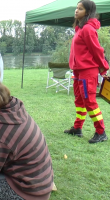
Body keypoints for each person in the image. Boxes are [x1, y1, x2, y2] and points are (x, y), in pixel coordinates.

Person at [65, 0, 109, 143]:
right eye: (76, 8)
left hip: (87, 71)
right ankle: (77, 128)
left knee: (89, 101)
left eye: (80, 9)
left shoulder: (88, 29)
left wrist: (104, 68)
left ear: (88, 12)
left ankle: (101, 132)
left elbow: (97, 51)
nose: (76, 11)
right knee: (79, 100)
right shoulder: (79, 29)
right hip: (78, 71)